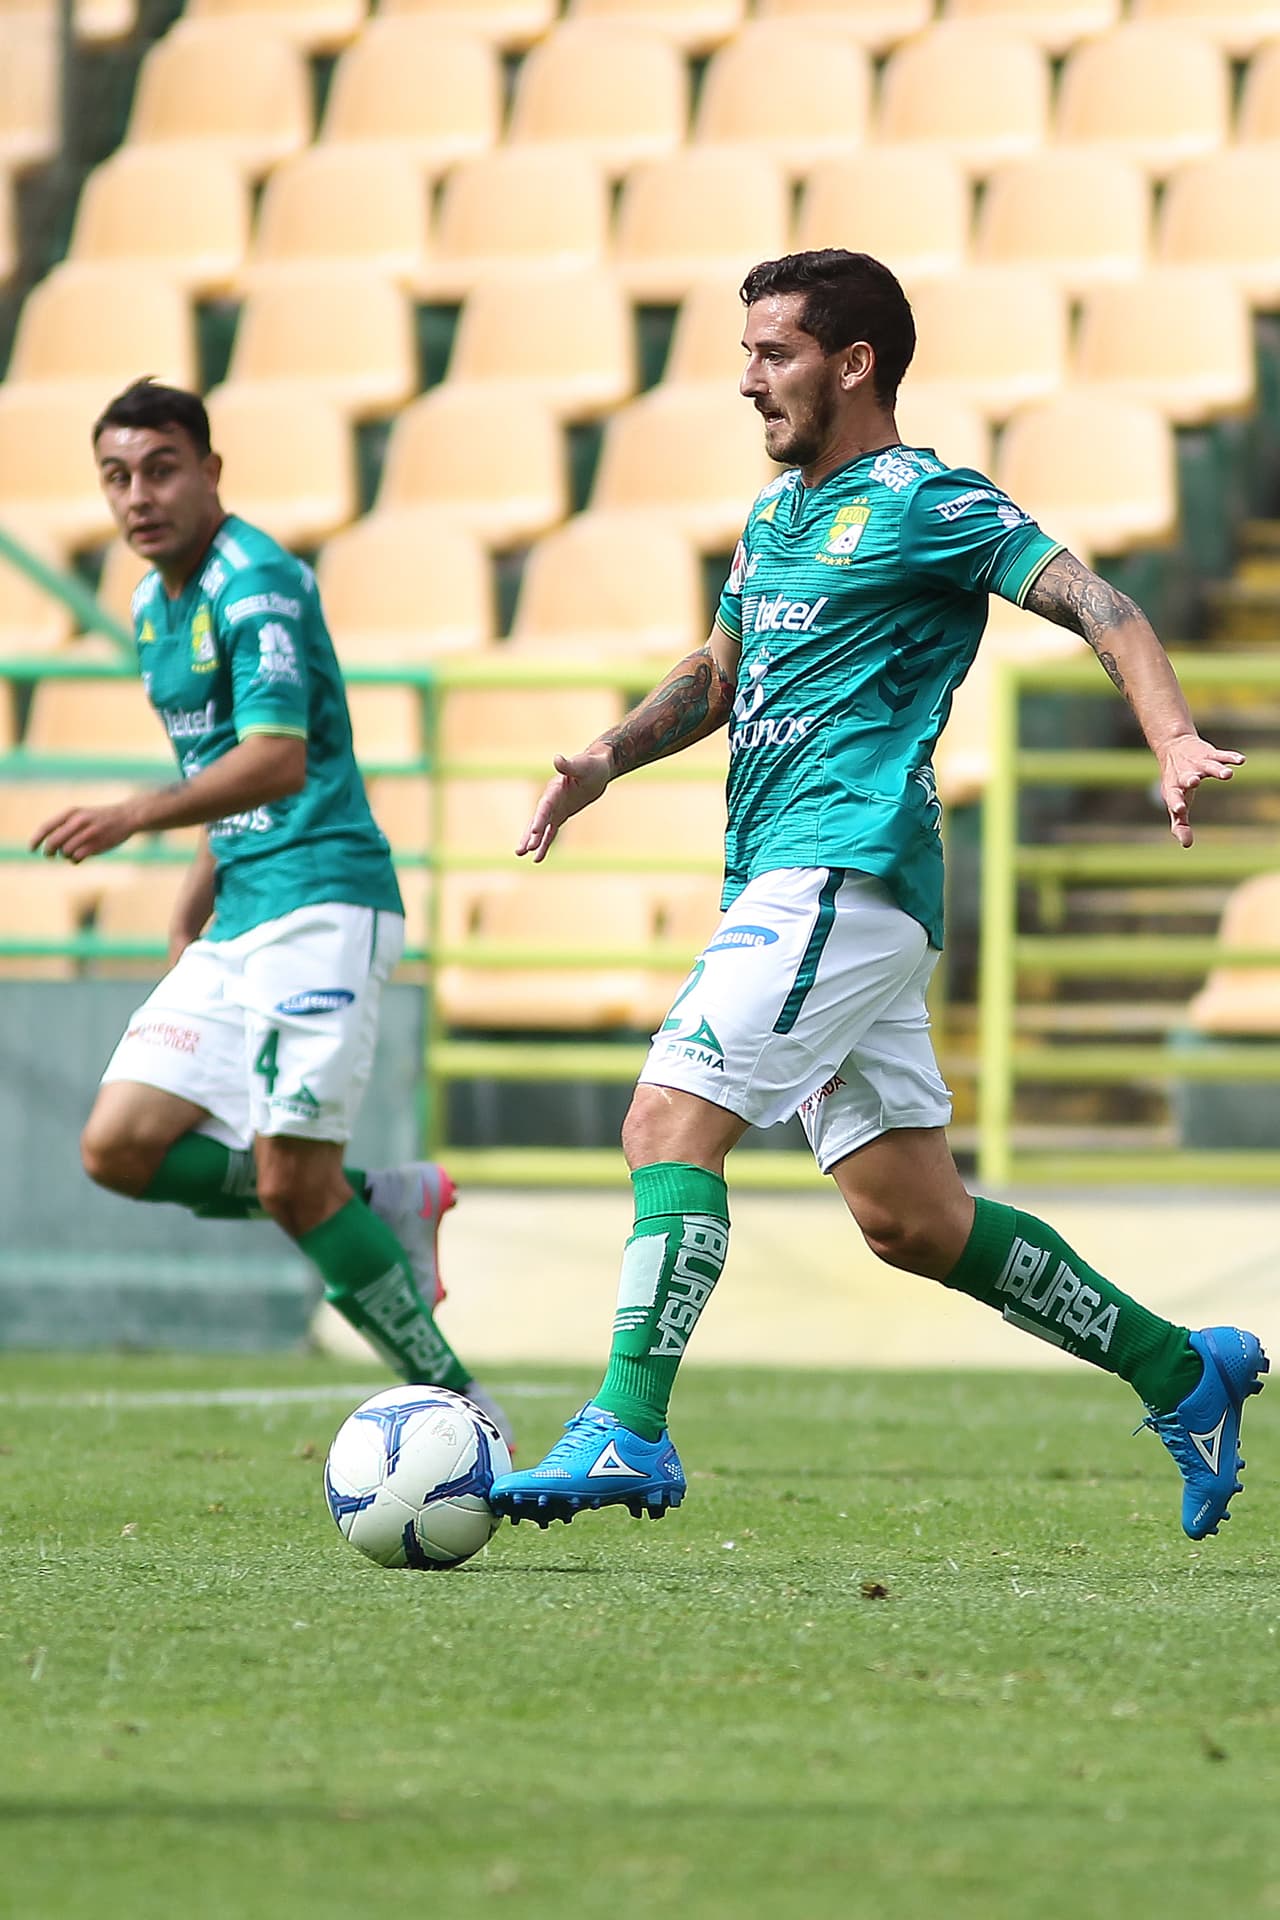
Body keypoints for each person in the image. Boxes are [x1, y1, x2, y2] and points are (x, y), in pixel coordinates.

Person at [487, 248, 1265, 1538]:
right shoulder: (770, 518)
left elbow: (1095, 601)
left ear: (853, 364)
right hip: (797, 881)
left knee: (663, 1125)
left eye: (770, 352)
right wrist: (608, 756)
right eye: (743, 352)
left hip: (839, 870)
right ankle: (1182, 1369)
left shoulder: (923, 500)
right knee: (911, 1219)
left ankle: (625, 1424)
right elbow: (721, 669)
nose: (746, 382)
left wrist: (1171, 733)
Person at [31, 377, 511, 1447]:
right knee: (119, 1148)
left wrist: (137, 818)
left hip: (322, 902)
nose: (137, 496)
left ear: (209, 470)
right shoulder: (156, 602)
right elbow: (217, 762)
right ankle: (381, 1195)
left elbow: (277, 758)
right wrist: (197, 884)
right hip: (245, 904)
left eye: (160, 468)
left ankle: (468, 1412)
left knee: (296, 1189)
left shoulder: (257, 584)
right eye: (116, 477)